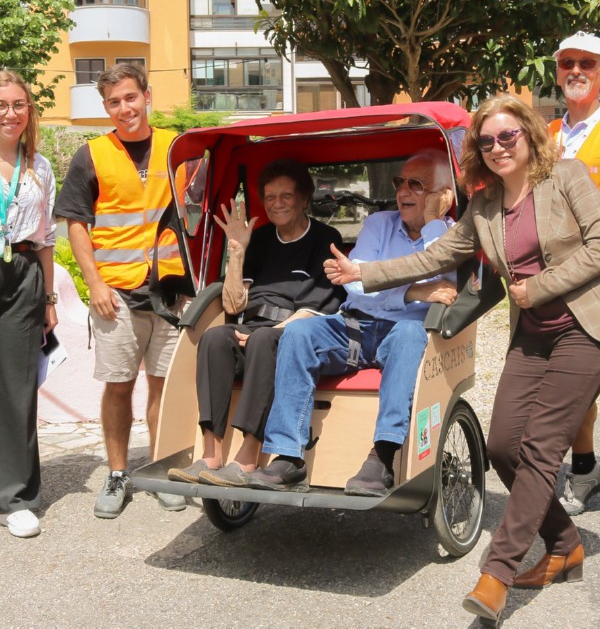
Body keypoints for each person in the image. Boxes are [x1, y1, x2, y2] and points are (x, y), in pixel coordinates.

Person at [325, 96, 600, 626]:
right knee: (502, 447)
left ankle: (496, 576)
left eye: (508, 136)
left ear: (529, 136)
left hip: (582, 331)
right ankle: (565, 544)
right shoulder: (486, 205)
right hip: (532, 334)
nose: (498, 147)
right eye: (487, 141)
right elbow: (434, 256)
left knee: (541, 450)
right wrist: (363, 272)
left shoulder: (565, 178)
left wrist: (541, 285)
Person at [245, 150, 457, 495]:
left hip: (408, 334)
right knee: (298, 332)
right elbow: (355, 284)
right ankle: (287, 455)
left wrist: (434, 222)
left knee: (407, 332)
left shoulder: (451, 235)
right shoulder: (378, 224)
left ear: (443, 195)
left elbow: (441, 274)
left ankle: (383, 457)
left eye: (416, 185)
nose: (403, 191)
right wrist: (413, 293)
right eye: (399, 182)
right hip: (356, 325)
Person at [55, 63, 187, 518]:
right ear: (106, 107)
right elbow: (76, 223)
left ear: (146, 96)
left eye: (130, 98)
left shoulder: (177, 148)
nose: (124, 108)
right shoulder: (92, 154)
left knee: (163, 386)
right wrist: (93, 284)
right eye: (114, 102)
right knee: (118, 387)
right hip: (116, 293)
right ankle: (117, 473)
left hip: (171, 292)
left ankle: (161, 468)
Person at [168, 159, 345, 487]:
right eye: (270, 197)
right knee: (214, 338)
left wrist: (273, 330)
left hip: (296, 330)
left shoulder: (324, 238)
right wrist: (237, 252)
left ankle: (249, 456)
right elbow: (234, 303)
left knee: (264, 340)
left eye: (286, 196)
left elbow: (315, 309)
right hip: (254, 325)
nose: (277, 203)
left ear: (304, 198)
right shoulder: (261, 239)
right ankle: (210, 455)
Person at [0, 69, 57, 538]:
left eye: (19, 104)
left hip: (22, 277)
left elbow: (47, 239)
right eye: (2, 104)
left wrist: (50, 298)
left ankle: (17, 497)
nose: (11, 113)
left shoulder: (39, 166)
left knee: (19, 390)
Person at [550, 31, 600, 515]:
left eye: (588, 62)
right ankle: (584, 470)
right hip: (561, 279)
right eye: (568, 62)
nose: (577, 70)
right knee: (576, 386)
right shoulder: (544, 137)